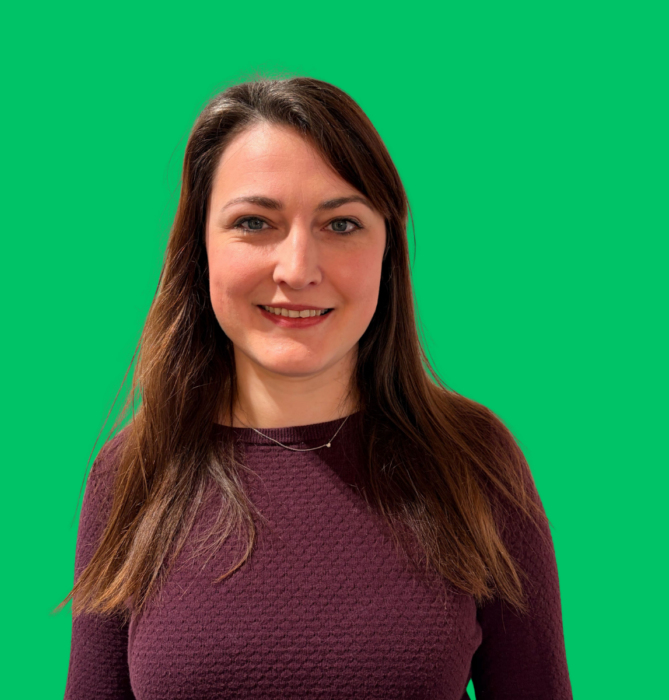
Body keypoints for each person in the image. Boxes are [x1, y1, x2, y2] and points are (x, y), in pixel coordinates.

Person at [59, 76, 573, 699]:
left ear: (388, 252)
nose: (298, 269)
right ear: (201, 248)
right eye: (255, 222)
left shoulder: (473, 460)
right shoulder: (132, 473)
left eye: (341, 224)